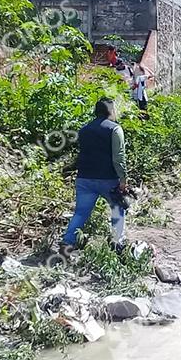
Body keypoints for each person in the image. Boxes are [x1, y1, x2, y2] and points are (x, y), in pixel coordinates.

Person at [61, 98, 127, 253]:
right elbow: (118, 157)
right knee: (117, 209)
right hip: (108, 179)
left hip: (84, 179)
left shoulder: (84, 130)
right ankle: (117, 243)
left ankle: (67, 243)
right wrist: (123, 179)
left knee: (80, 213)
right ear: (111, 111)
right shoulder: (115, 129)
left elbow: (83, 154)